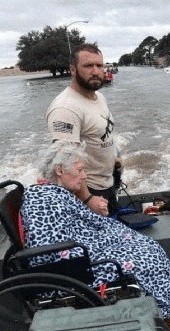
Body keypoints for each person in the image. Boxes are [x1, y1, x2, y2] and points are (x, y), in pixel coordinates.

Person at [20, 141, 170, 331]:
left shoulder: (54, 192)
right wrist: (97, 244)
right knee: (144, 260)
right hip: (73, 272)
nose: (84, 176)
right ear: (60, 170)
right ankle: (164, 316)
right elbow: (50, 252)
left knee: (148, 245)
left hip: (81, 253)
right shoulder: (43, 201)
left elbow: (76, 227)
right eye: (80, 170)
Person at [46, 43, 121, 216]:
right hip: (88, 192)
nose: (96, 71)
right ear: (73, 70)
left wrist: (112, 158)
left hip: (107, 183)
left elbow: (99, 135)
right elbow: (66, 161)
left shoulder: (99, 97)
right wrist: (88, 199)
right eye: (88, 66)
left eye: (99, 65)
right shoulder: (65, 109)